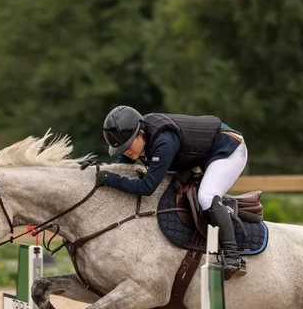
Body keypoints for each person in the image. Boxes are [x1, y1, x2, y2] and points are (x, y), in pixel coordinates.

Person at [94, 105, 249, 277]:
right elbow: (123, 163)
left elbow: (147, 188)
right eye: (122, 149)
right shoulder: (140, 135)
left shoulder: (164, 142)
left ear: (140, 133)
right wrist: (97, 170)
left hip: (229, 149)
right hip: (208, 152)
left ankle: (233, 256)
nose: (127, 153)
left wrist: (111, 179)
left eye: (128, 146)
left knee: (206, 197)